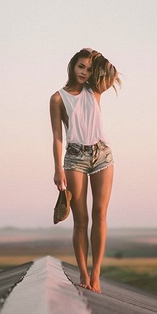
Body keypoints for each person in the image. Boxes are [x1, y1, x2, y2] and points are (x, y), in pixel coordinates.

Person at [49, 48, 121, 293]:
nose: (84, 72)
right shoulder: (58, 98)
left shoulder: (95, 90)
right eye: (81, 67)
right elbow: (58, 137)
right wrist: (58, 168)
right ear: (72, 66)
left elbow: (112, 72)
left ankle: (96, 274)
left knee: (100, 215)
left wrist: (95, 54)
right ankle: (82, 273)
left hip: (102, 155)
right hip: (75, 158)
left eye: (89, 69)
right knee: (81, 220)